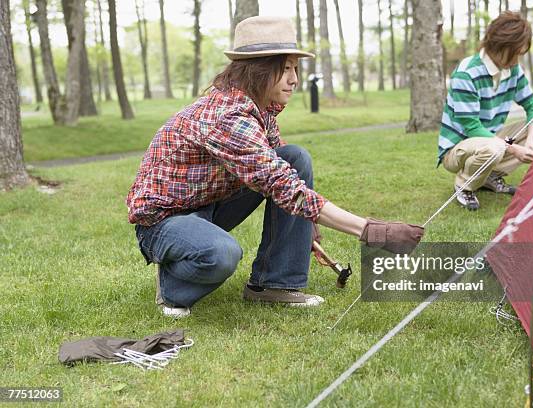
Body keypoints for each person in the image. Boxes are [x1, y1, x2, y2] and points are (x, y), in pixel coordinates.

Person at [126, 16, 423, 317]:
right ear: (259, 69)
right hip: (164, 221)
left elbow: (282, 169)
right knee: (222, 253)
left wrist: (307, 228)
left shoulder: (260, 108)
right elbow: (280, 184)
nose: (295, 79)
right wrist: (373, 232)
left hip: (208, 205)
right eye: (287, 69)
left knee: (293, 157)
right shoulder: (228, 116)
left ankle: (274, 284)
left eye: (296, 68)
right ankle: (173, 288)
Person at [438, 11, 533, 211]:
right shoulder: (466, 73)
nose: (517, 60)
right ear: (500, 46)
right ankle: (464, 185)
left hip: (490, 140)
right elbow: (472, 127)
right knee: (495, 148)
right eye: (515, 53)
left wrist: (530, 140)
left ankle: (488, 175)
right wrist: (514, 149)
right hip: (456, 149)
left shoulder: (513, 70)